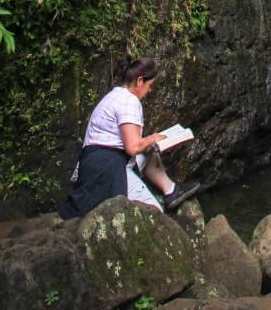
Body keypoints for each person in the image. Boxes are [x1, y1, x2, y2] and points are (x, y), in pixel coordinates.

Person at [59, 56, 199, 219]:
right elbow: (132, 147)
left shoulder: (114, 96)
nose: (150, 90)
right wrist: (153, 138)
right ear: (140, 81)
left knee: (149, 152)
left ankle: (171, 191)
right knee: (153, 213)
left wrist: (151, 143)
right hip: (106, 167)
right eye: (150, 85)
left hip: (97, 161)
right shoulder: (128, 101)